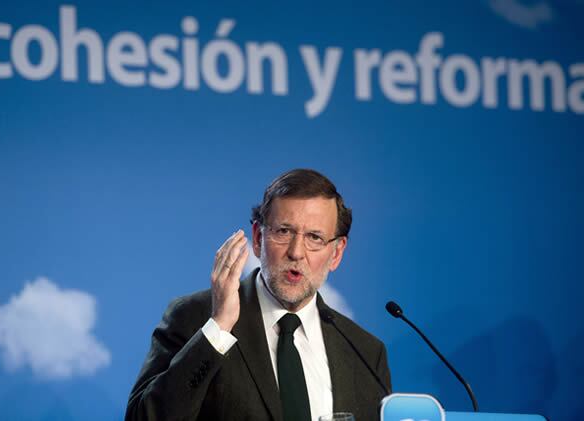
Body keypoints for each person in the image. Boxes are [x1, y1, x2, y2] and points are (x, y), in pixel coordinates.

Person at [125, 169, 391, 421]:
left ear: (336, 252)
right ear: (257, 237)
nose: (297, 252)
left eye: (314, 237)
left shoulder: (365, 353)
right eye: (284, 231)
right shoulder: (195, 317)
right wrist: (219, 328)